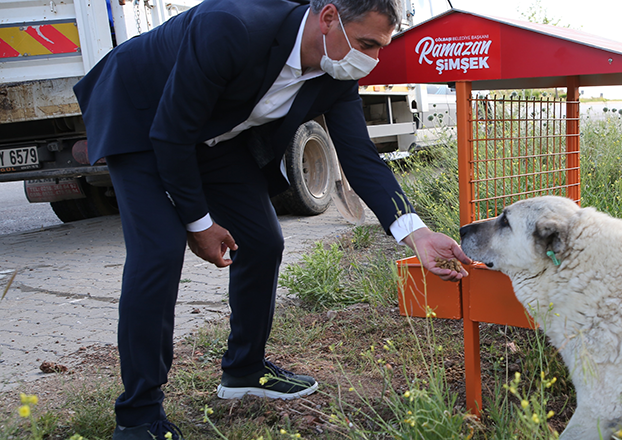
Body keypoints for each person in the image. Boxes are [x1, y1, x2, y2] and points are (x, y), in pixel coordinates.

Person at [73, 0, 471, 438]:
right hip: (142, 113)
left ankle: (243, 372)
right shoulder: (232, 27)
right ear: (328, 18)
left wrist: (417, 234)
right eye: (366, 44)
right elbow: (170, 132)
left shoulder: (334, 73)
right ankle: (138, 415)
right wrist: (198, 222)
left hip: (212, 133)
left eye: (380, 48)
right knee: (159, 251)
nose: (372, 60)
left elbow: (360, 159)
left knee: (262, 240)